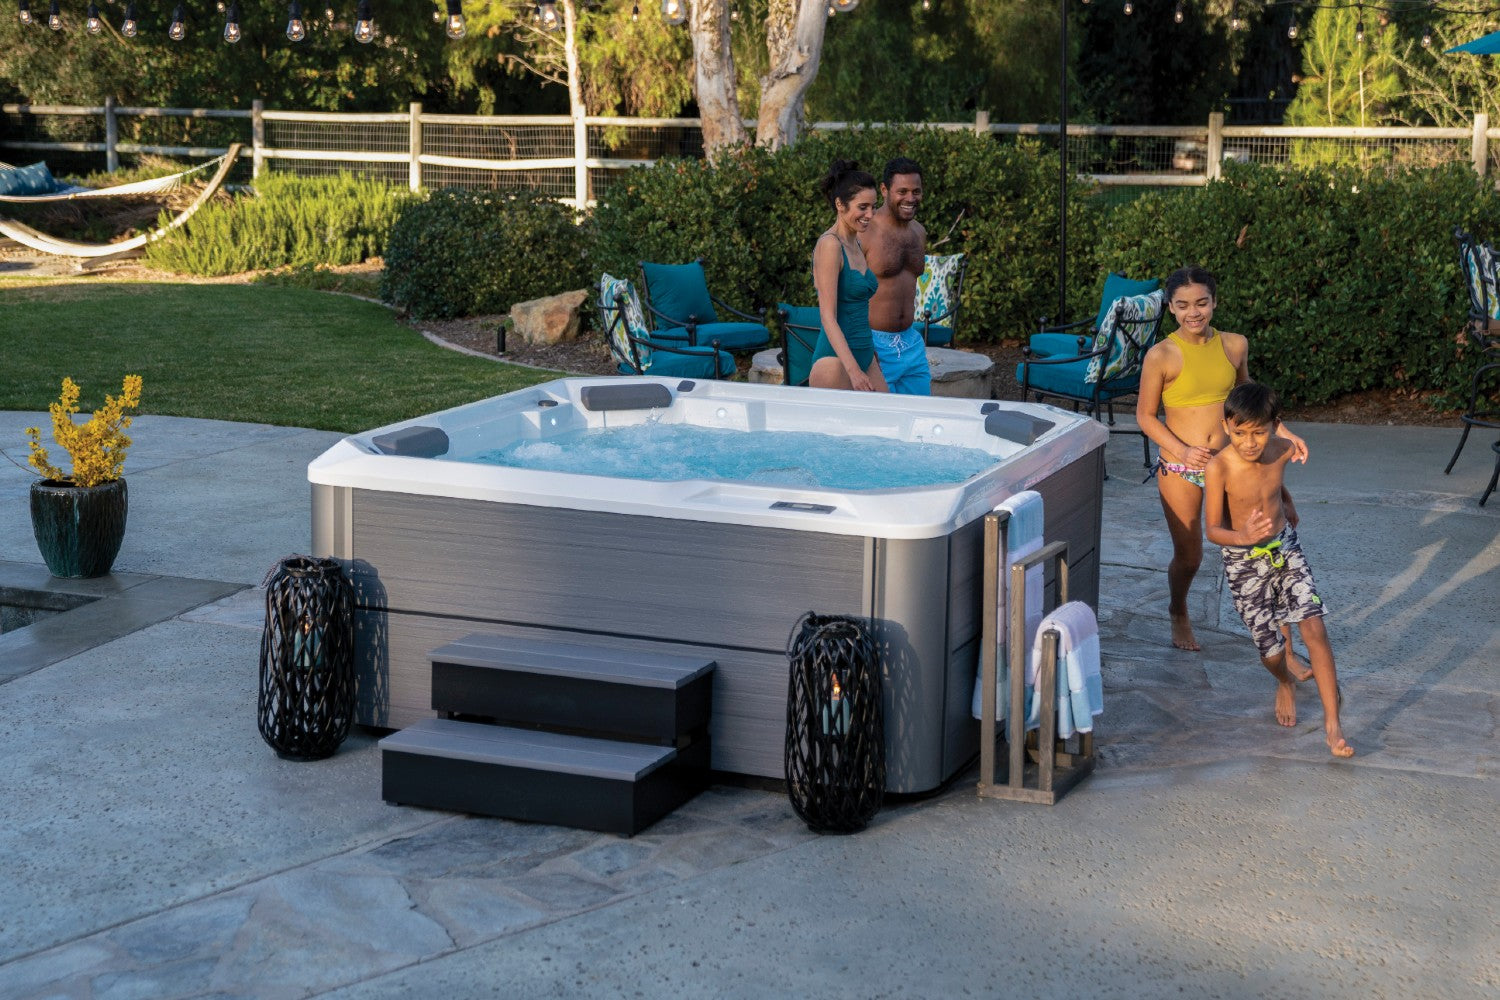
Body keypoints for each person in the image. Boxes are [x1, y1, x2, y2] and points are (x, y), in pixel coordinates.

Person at [1136, 265, 1309, 654]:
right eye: (1183, 305)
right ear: (1171, 307)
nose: (1193, 312)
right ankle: (1178, 609)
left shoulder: (1234, 345)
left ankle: (1282, 642)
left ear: (1214, 302)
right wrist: (1183, 450)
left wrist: (1283, 431)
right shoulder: (1161, 355)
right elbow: (1145, 417)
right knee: (1190, 556)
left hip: (1232, 466)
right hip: (1181, 467)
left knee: (1263, 546)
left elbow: (1251, 401)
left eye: (1201, 303)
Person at [1204, 383, 1352, 758]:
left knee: (1314, 626)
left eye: (1258, 432)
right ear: (1226, 426)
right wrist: (1241, 536)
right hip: (1243, 560)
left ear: (1274, 426)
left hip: (1285, 548)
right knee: (1270, 652)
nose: (1249, 442)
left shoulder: (1282, 449)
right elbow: (1212, 529)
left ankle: (1333, 724)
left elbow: (1273, 481)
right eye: (1239, 433)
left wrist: (1287, 502)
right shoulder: (1219, 467)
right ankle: (1284, 681)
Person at [809, 160, 887, 392]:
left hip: (865, 355)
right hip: (836, 363)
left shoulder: (856, 242)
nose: (870, 214)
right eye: (862, 207)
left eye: (873, 207)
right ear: (840, 204)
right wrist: (853, 371)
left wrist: (869, 353)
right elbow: (827, 316)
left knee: (889, 413)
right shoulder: (830, 245)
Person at [864, 157, 932, 395]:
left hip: (911, 343)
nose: (910, 198)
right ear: (884, 190)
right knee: (881, 418)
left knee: (921, 414)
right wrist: (862, 346)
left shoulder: (919, 232)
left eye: (916, 191)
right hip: (874, 345)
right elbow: (845, 294)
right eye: (902, 191)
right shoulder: (865, 231)